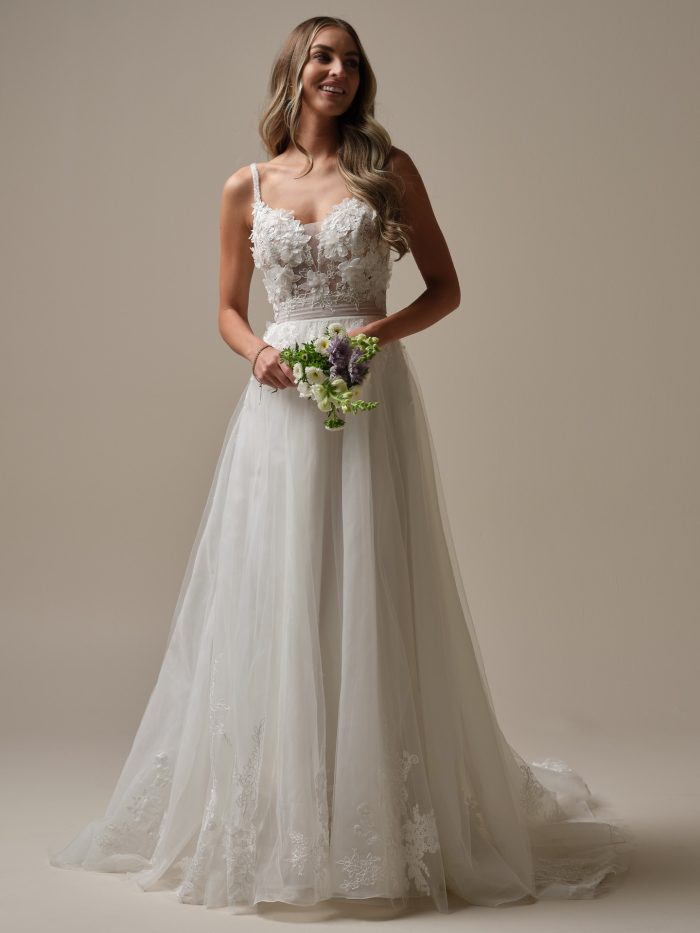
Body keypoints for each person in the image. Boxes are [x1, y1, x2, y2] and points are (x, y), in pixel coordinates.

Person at [48, 15, 635, 915]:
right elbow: (227, 311)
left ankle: (373, 812)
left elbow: (447, 287)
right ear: (293, 70)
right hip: (279, 410)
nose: (339, 71)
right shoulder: (245, 186)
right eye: (323, 56)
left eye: (352, 61)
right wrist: (258, 356)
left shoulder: (388, 172)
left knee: (365, 585)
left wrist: (377, 333)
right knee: (282, 592)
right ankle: (285, 816)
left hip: (368, 402)